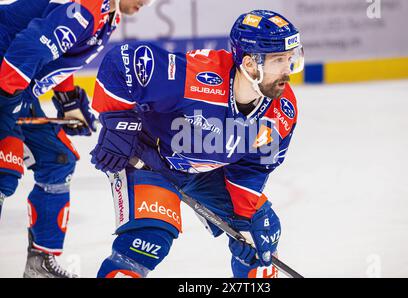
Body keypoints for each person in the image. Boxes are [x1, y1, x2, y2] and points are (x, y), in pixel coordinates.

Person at [91, 9, 304, 278]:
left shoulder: (282, 112)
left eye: (290, 59)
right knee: (149, 240)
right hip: (147, 159)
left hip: (202, 173)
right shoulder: (195, 78)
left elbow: (252, 168)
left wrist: (246, 219)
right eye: (278, 60)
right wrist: (119, 125)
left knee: (261, 234)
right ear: (250, 64)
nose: (288, 70)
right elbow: (122, 63)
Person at [0, 0, 154, 278]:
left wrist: (68, 100)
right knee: (4, 166)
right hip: (6, 82)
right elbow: (29, 49)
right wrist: (5, 102)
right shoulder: (87, 9)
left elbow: (57, 53)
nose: (148, 1)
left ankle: (39, 266)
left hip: (15, 87)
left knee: (58, 159)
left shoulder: (108, 14)